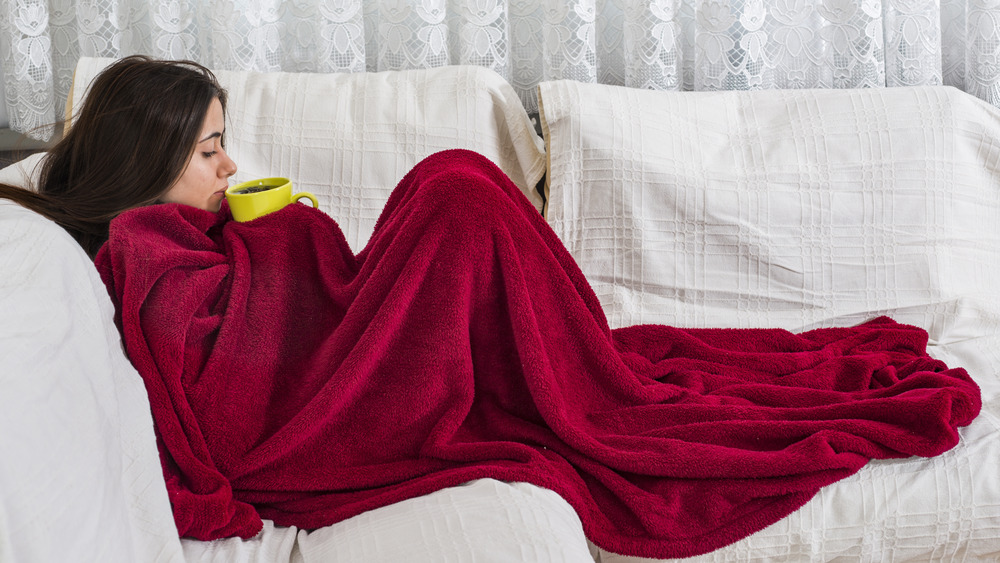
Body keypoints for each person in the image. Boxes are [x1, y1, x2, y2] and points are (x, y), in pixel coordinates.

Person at [0, 56, 982, 559]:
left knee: (457, 186)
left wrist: (272, 231)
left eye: (225, 143)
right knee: (458, 187)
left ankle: (590, 373)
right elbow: (235, 389)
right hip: (328, 399)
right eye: (207, 147)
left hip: (353, 343)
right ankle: (594, 386)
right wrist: (278, 232)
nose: (226, 166)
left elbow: (299, 298)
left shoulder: (179, 230)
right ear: (150, 148)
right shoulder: (138, 245)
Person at [0, 55, 235, 258]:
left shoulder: (222, 220)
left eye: (220, 144)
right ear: (144, 161)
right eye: (209, 151)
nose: (230, 166)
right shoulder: (123, 260)